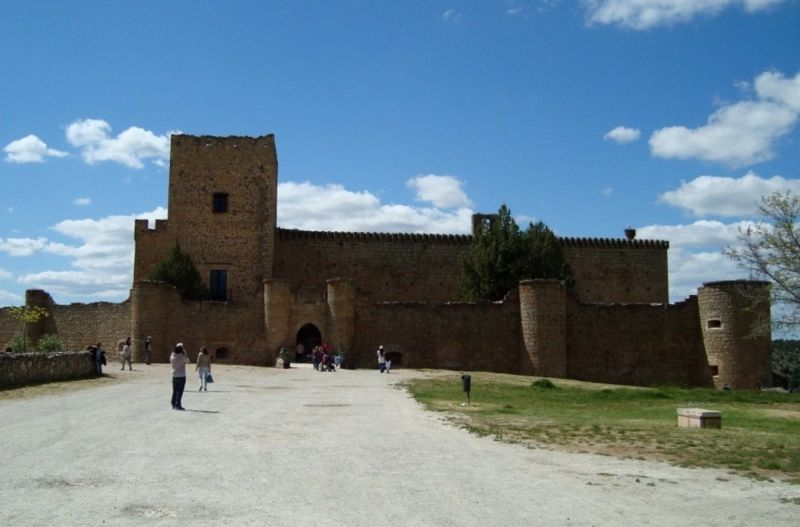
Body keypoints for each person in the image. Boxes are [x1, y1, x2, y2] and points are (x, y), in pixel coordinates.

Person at [170, 343, 191, 410]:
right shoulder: (182, 357)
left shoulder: (172, 356)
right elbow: (188, 361)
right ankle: (178, 405)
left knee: (175, 391)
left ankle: (173, 403)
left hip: (174, 375)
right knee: (180, 391)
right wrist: (185, 353)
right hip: (181, 376)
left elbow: (173, 353)